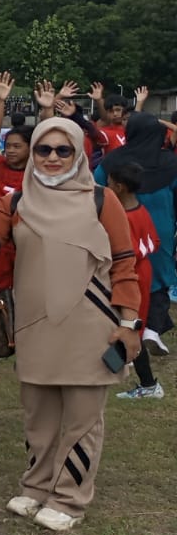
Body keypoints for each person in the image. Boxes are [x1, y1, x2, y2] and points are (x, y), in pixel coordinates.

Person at [0, 119, 140, 531]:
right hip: (34, 323)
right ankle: (36, 486)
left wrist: (129, 322)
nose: (52, 158)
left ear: (79, 154)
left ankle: (69, 498)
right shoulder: (16, 202)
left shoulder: (101, 200)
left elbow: (125, 263)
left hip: (90, 322)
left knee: (82, 418)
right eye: (43, 149)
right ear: (32, 154)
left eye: (63, 150)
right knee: (38, 414)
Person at [97, 112, 176, 351]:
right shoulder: (171, 163)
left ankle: (123, 324)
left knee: (123, 275)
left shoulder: (113, 160)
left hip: (119, 227)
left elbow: (96, 190)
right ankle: (152, 328)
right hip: (159, 230)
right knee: (159, 279)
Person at [105, 159, 162, 401]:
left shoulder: (122, 217)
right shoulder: (141, 209)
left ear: (119, 187)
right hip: (142, 272)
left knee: (131, 326)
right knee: (130, 323)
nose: (106, 186)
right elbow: (154, 241)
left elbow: (125, 251)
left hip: (132, 274)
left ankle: (148, 384)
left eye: (109, 182)